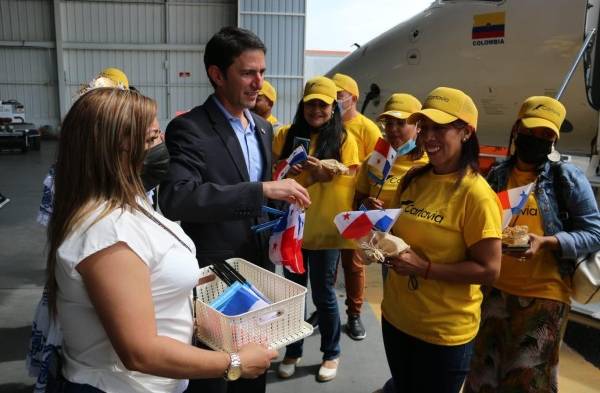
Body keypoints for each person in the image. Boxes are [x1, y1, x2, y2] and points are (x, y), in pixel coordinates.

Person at [46, 87, 277, 393]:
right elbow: (139, 352)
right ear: (116, 150)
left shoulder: (130, 202)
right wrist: (233, 362)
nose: (162, 145)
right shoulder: (108, 233)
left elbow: (142, 278)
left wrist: (189, 283)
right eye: (152, 138)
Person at [158, 26, 310, 393]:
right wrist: (261, 190)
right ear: (216, 74)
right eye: (247, 72)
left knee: (254, 374)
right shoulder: (189, 129)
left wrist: (286, 205)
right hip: (216, 278)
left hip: (259, 270)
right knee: (214, 379)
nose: (259, 82)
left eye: (262, 72)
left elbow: (260, 196)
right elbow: (177, 198)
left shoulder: (261, 127)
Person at [464, 96, 600, 393]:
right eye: (531, 131)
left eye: (546, 135)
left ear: (554, 140)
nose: (537, 139)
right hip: (494, 293)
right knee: (481, 377)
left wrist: (548, 242)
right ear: (516, 129)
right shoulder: (497, 175)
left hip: (544, 299)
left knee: (528, 382)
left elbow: (595, 232)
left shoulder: (566, 177)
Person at [382, 87, 502, 393]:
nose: (428, 137)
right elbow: (395, 234)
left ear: (466, 133)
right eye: (425, 127)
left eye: (440, 128)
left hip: (443, 334)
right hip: (396, 319)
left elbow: (489, 270)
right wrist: (377, 240)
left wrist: (424, 268)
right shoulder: (413, 179)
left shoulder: (477, 195)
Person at [272, 76, 360, 382]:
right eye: (311, 104)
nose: (316, 110)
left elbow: (352, 174)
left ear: (333, 107)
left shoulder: (344, 139)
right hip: (292, 231)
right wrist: (288, 169)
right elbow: (272, 173)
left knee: (324, 294)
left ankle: (331, 353)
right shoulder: (285, 134)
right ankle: (293, 352)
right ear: (302, 106)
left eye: (323, 104)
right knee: (293, 294)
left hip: (325, 231)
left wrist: (326, 169)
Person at [332, 72, 383, 340]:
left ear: (353, 97)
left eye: (340, 95)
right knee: (328, 261)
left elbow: (376, 168)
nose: (336, 100)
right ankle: (325, 307)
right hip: (330, 204)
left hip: (355, 204)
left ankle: (354, 313)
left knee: (353, 263)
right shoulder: (329, 125)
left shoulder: (367, 128)